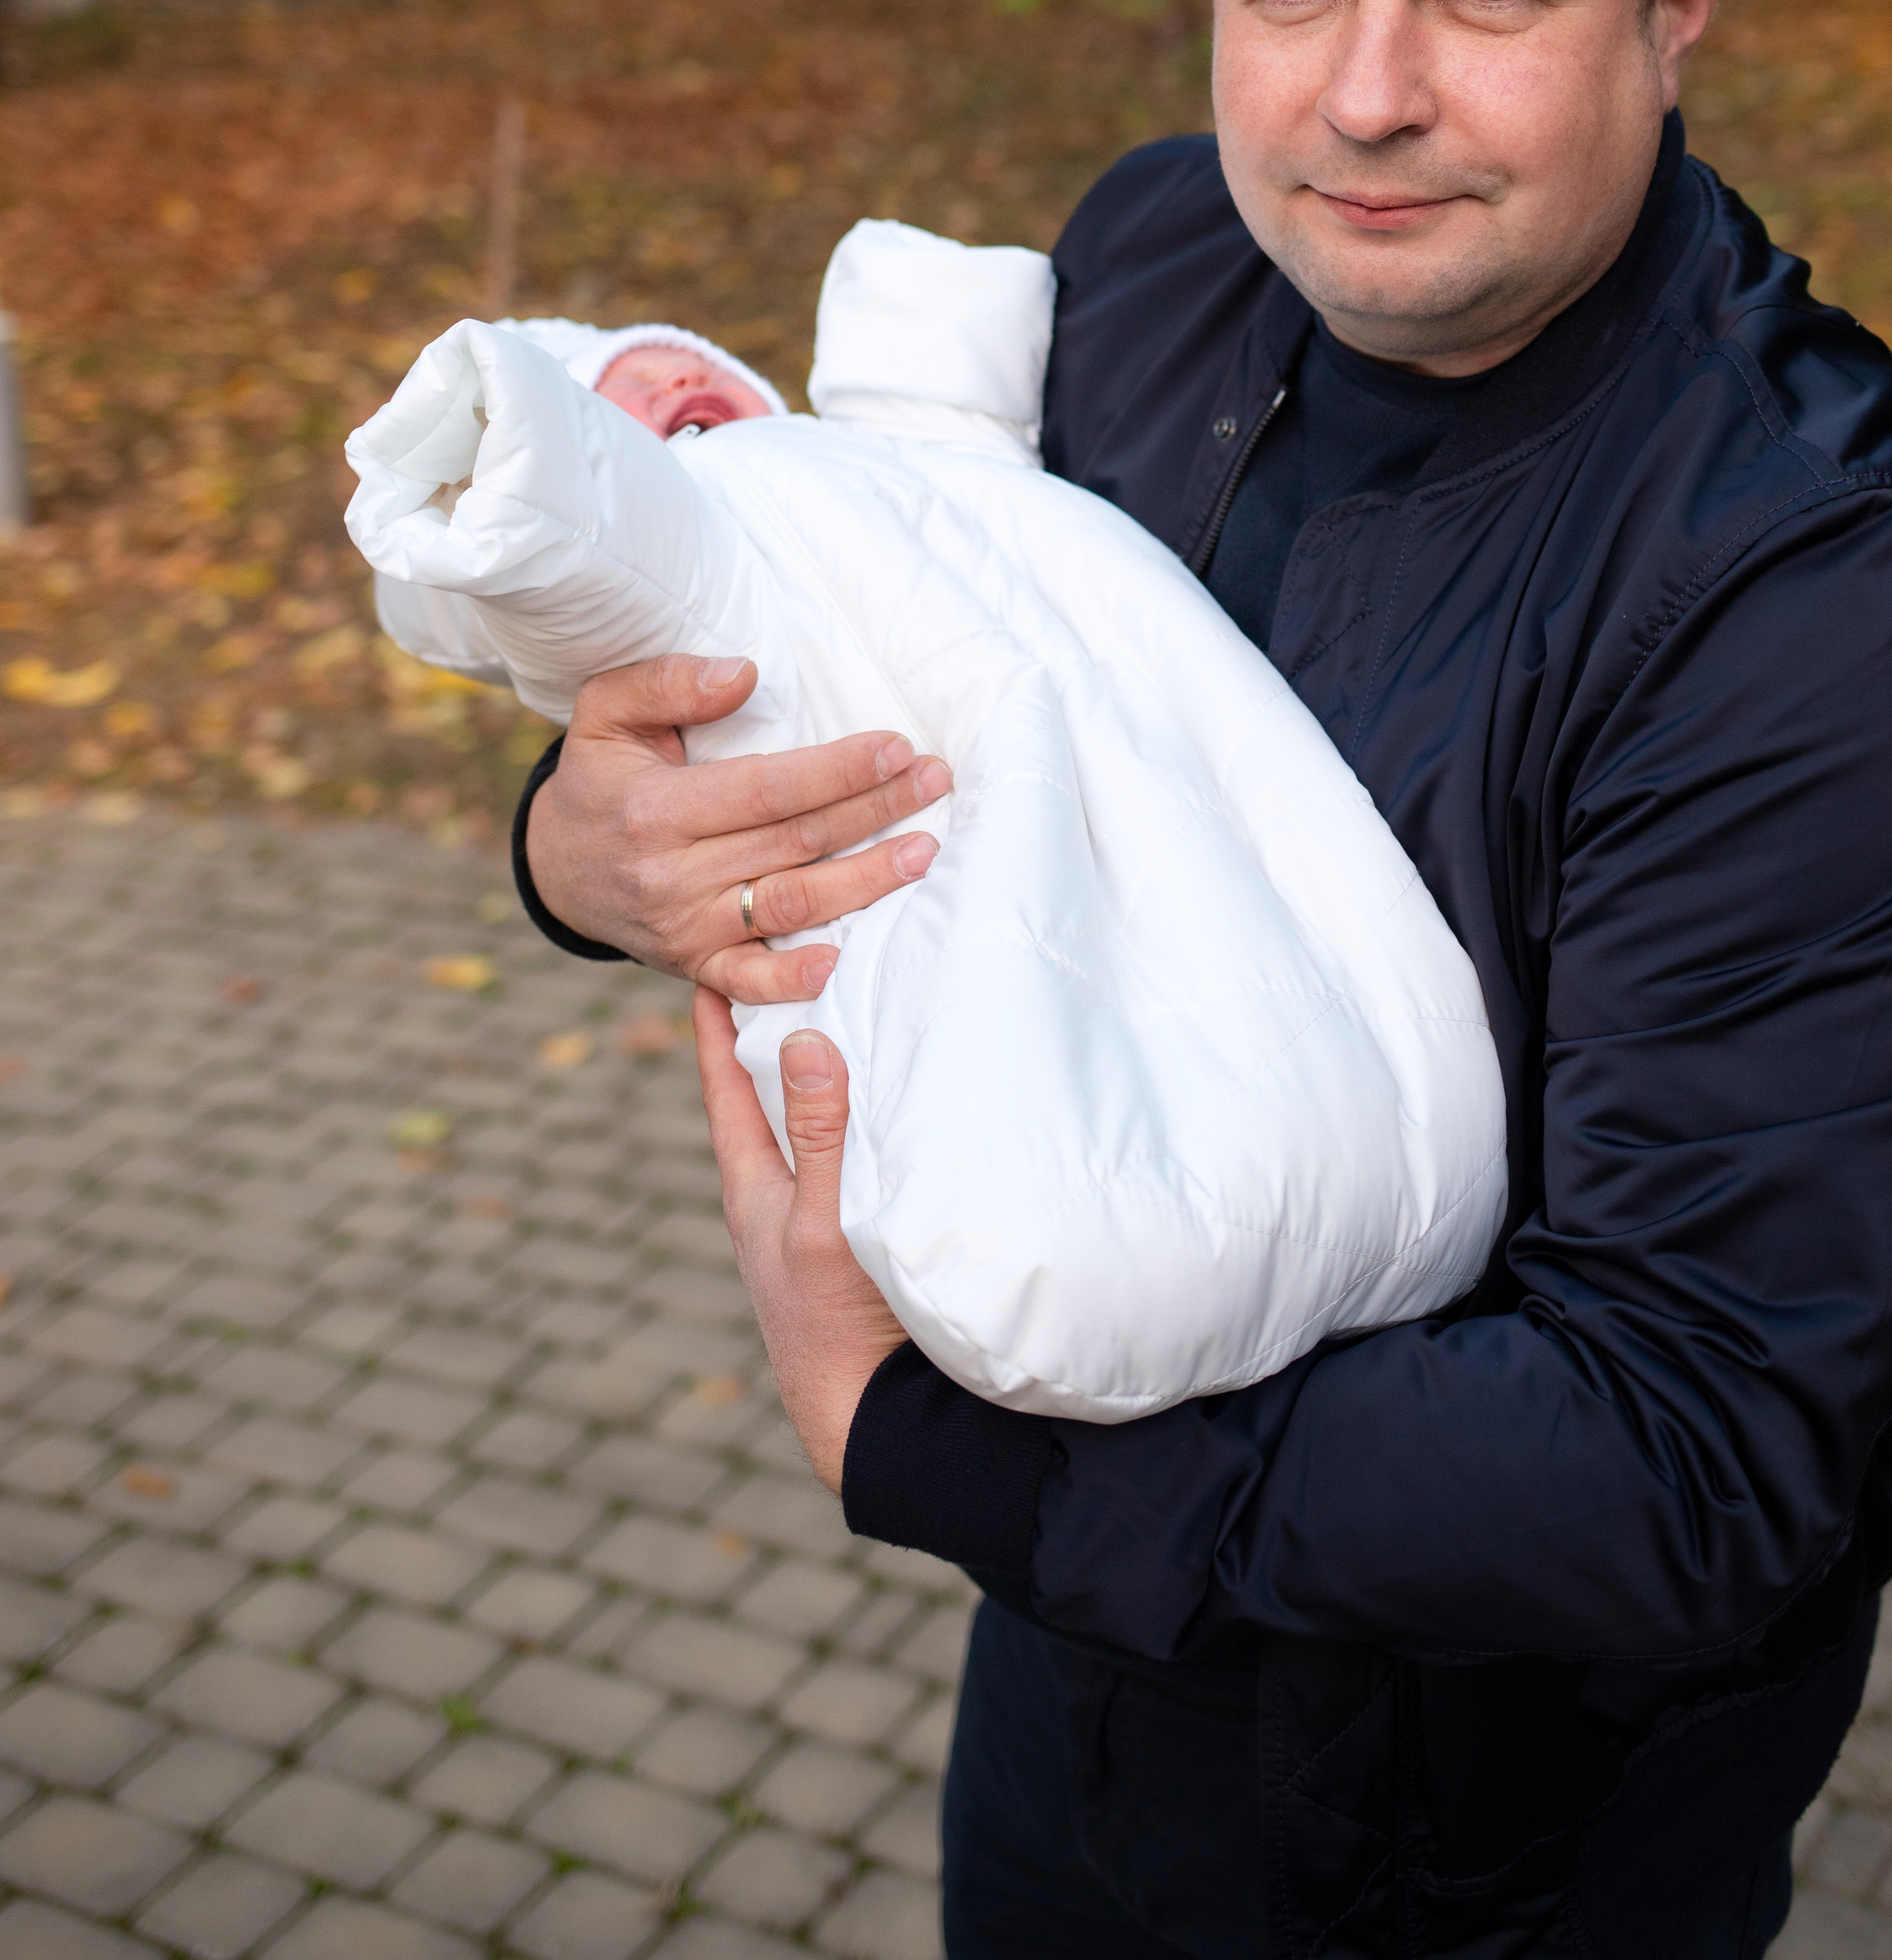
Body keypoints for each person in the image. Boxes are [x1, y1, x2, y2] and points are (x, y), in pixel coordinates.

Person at [513, 0, 1892, 1960]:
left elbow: (1691, 1448)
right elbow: (853, 620)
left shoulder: (1822, 598)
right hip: (1090, 1706)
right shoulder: (1147, 270)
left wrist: (924, 1440)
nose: (1361, 96)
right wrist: (586, 851)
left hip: (1496, 1870)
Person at [345, 224, 1502, 1423]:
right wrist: (498, 431)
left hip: (1144, 730)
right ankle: (1077, 1241)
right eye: (617, 405)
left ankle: (1384, 1147)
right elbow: (555, 558)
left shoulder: (899, 452)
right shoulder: (702, 528)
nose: (664, 385)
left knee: (1258, 924)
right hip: (934, 801)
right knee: (993, 989)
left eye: (679, 364)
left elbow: (937, 352)